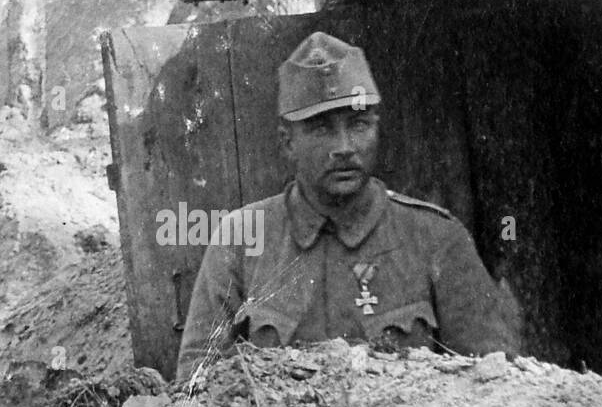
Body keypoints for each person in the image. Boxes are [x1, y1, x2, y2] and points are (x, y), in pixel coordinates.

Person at [175, 31, 520, 384]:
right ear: (287, 143)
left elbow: (494, 382)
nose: (343, 147)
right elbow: (197, 385)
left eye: (358, 124)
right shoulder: (239, 241)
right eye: (321, 129)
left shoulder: (436, 239)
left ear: (376, 128)